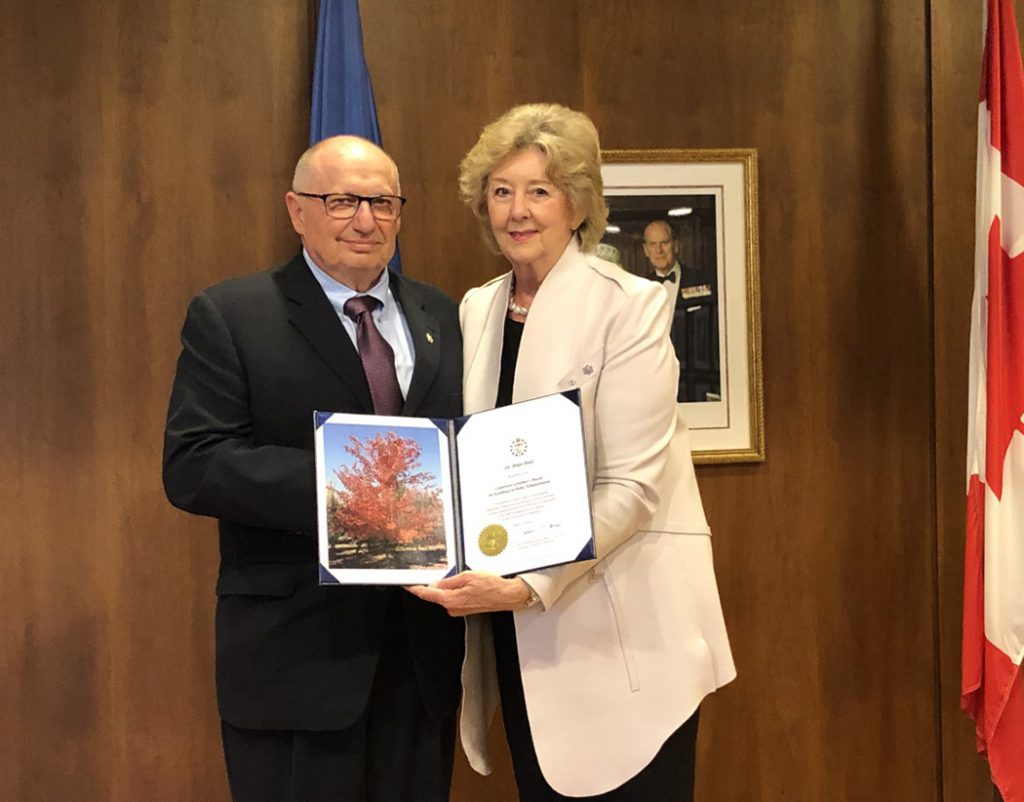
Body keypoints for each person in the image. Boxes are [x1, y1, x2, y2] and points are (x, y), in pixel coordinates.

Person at [409, 105, 736, 801]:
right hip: (519, 634)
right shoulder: (476, 308)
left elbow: (631, 489)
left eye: (539, 190)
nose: (517, 211)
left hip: (620, 634)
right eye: (501, 191)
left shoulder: (632, 306)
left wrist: (527, 586)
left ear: (577, 203)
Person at [163, 135, 464, 802]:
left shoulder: (443, 314)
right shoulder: (234, 314)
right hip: (294, 661)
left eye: (383, 202)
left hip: (420, 659)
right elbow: (193, 463)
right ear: (297, 210)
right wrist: (355, 490)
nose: (365, 219)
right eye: (342, 201)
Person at [642, 219, 720, 403]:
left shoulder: (705, 281)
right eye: (653, 244)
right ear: (646, 250)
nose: (659, 250)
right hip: (655, 384)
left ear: (675, 245)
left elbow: (717, 337)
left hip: (696, 381)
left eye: (664, 243)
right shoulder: (638, 289)